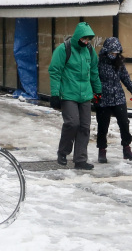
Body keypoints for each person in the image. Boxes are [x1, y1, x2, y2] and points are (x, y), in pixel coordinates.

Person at [48, 22, 102, 170]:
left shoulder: (89, 51)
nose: (86, 42)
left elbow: (94, 71)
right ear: (78, 37)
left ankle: (80, 160)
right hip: (68, 94)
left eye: (88, 39)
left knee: (84, 127)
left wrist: (98, 91)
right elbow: (55, 71)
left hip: (85, 95)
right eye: (84, 39)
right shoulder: (63, 49)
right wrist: (55, 94)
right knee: (72, 123)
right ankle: (63, 152)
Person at [95, 37, 132, 163]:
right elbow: (93, 78)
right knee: (103, 126)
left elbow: (125, 77)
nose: (114, 55)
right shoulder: (99, 63)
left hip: (119, 98)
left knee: (124, 123)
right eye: (112, 52)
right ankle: (102, 151)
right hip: (103, 99)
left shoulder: (119, 63)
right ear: (106, 51)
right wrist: (95, 93)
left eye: (116, 53)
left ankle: (127, 149)